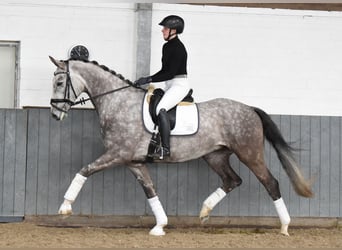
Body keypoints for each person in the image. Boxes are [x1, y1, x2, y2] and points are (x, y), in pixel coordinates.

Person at [134, 15, 190, 160]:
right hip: (169, 84)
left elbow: (170, 72)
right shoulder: (167, 46)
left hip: (179, 84)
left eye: (165, 28)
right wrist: (148, 79)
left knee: (161, 109)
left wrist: (149, 78)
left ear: (174, 30)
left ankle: (165, 149)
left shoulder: (178, 48)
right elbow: (164, 71)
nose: (162, 31)